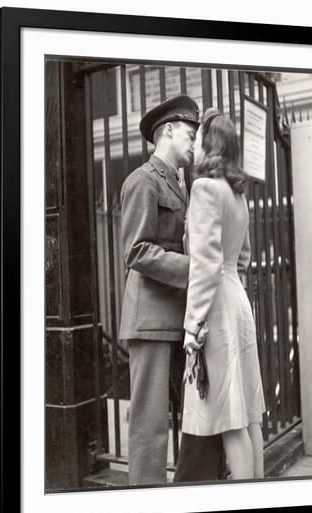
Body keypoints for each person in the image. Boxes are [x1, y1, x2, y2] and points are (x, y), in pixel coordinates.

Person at [178, 107, 266, 480]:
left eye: (198, 138)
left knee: (230, 418)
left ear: (209, 144)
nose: (195, 144)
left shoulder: (204, 188)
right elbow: (241, 258)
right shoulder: (236, 194)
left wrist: (192, 325)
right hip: (237, 301)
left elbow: (204, 265)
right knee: (248, 415)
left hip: (215, 307)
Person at [119, 94, 203, 485]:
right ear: (168, 131)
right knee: (149, 430)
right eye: (189, 134)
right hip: (150, 317)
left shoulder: (180, 185)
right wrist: (195, 270)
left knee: (193, 418)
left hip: (175, 315)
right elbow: (135, 250)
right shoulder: (142, 181)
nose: (194, 143)